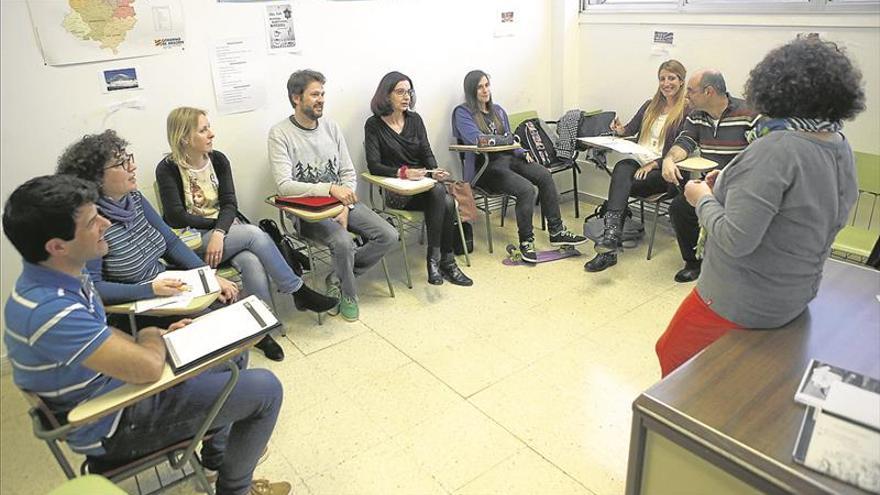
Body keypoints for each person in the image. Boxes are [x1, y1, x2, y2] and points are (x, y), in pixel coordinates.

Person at [2, 175, 290, 495]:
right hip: (113, 423)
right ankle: (235, 489)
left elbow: (102, 335)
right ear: (57, 246)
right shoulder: (50, 309)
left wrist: (160, 339)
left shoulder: (61, 277)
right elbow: (149, 367)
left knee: (232, 352)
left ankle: (216, 458)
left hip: (113, 391)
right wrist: (154, 334)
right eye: (92, 221)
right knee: (266, 389)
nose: (105, 223)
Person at [655, 38, 863, 377]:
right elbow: (799, 209)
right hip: (795, 293)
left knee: (672, 354)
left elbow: (737, 240)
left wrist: (701, 198)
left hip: (743, 299)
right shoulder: (839, 144)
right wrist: (731, 184)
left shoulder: (777, 148)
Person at [54, 131, 285, 360]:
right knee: (229, 337)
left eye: (129, 158)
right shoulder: (92, 223)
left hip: (166, 283)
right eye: (121, 163)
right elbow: (94, 288)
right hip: (141, 304)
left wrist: (207, 276)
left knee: (232, 302)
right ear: (95, 178)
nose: (132, 167)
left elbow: (171, 243)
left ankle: (259, 336)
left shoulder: (133, 198)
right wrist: (150, 290)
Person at [156, 107, 339, 360]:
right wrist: (219, 229)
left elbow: (230, 203)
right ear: (185, 138)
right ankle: (298, 290)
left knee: (251, 261)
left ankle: (262, 331)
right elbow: (176, 216)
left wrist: (221, 232)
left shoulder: (218, 160)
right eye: (203, 129)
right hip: (190, 241)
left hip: (224, 235)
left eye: (209, 127)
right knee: (253, 235)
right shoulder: (167, 168)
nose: (211, 134)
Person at [268, 69, 397, 322]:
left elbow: (348, 172)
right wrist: (329, 189)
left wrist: (344, 207)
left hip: (342, 203)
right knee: (343, 242)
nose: (321, 99)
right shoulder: (280, 133)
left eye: (323, 94)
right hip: (308, 212)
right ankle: (349, 294)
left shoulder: (331, 127)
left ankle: (337, 277)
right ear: (296, 98)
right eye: (315, 94)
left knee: (389, 235)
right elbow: (285, 186)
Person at [453, 70, 587, 262]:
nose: (484, 90)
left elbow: (512, 140)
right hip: (485, 168)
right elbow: (478, 140)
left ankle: (556, 231)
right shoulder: (463, 112)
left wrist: (521, 151)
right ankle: (526, 241)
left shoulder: (498, 111)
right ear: (471, 91)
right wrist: (504, 140)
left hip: (509, 159)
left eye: (486, 85)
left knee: (544, 175)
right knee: (525, 189)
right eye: (479, 87)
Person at [364, 71, 473, 286]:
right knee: (445, 199)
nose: (406, 97)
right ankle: (443, 262)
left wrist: (435, 171)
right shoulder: (373, 125)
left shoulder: (415, 120)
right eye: (400, 92)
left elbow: (426, 153)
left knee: (441, 194)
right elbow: (374, 165)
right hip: (398, 192)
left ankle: (439, 261)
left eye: (409, 92)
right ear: (386, 96)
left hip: (426, 186)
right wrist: (404, 173)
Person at [585, 60, 690, 272]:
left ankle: (609, 245)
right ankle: (612, 238)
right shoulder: (650, 105)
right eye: (662, 78)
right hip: (639, 163)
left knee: (621, 184)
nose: (666, 83)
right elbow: (630, 130)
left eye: (671, 78)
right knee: (623, 167)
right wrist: (619, 130)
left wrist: (654, 164)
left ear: (681, 81)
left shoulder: (687, 110)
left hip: (666, 172)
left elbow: (684, 147)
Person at [660, 69, 763, 283]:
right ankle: (693, 262)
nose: (686, 95)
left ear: (708, 92)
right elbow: (685, 142)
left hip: (742, 187)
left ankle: (734, 264)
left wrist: (730, 176)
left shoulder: (750, 113)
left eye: (690, 90)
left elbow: (762, 157)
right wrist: (669, 159)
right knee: (680, 207)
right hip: (709, 185)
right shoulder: (696, 114)